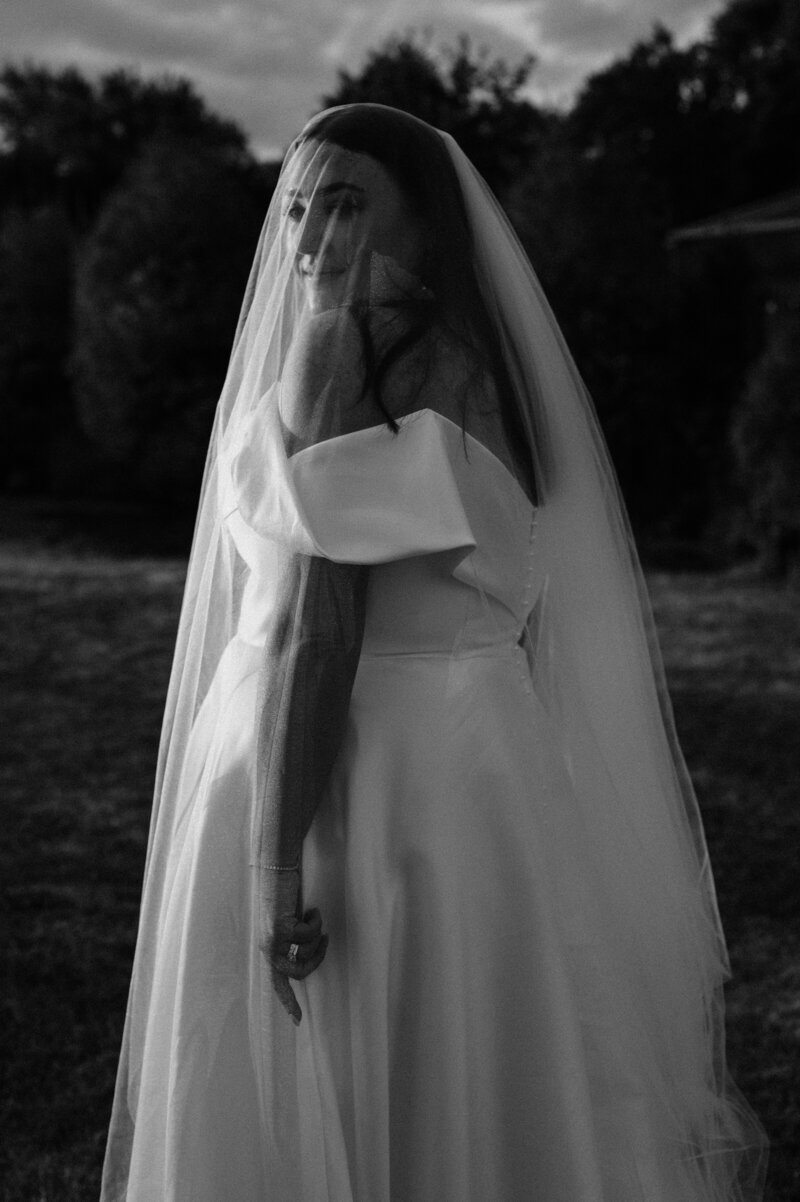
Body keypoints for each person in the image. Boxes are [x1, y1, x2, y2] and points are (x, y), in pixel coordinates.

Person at [101, 103, 766, 1202]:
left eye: (349, 204)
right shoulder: (481, 366)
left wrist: (270, 873)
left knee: (330, 1077)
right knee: (486, 1074)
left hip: (350, 770)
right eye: (301, 208)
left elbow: (316, 629)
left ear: (426, 225)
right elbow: (522, 603)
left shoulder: (343, 348)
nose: (312, 238)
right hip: (475, 778)